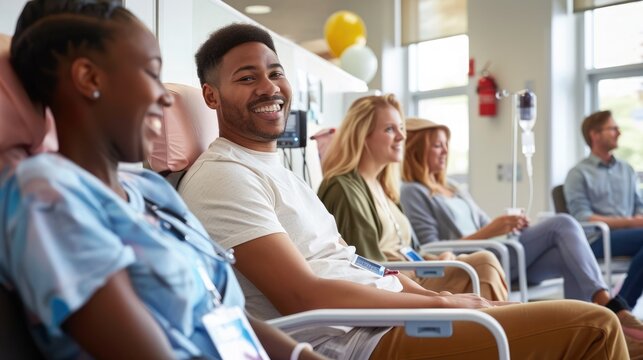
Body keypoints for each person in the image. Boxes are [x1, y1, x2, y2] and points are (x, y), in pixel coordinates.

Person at [178, 22, 628, 359]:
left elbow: (348, 257)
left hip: (389, 313)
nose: (270, 87)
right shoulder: (224, 177)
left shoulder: (279, 168)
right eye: (246, 78)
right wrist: (437, 301)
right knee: (595, 325)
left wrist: (409, 285)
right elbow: (304, 295)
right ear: (211, 97)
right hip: (361, 338)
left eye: (275, 72)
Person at [0, 1, 323, 359]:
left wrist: (302, 356)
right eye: (151, 74)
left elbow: (225, 315)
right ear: (89, 78)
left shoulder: (151, 190)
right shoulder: (48, 196)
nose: (164, 98)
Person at [399, 117, 643, 354]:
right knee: (563, 223)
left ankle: (596, 336)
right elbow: (431, 246)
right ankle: (610, 307)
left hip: (503, 251)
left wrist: (510, 226)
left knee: (564, 255)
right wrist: (494, 229)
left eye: (446, 145)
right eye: (437, 145)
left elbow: (487, 225)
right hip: (479, 261)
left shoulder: (453, 188)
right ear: (417, 150)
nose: (444, 152)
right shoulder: (413, 191)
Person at [317, 94, 508, 301]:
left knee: (481, 264)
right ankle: (499, 327)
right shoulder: (343, 188)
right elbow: (364, 266)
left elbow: (409, 250)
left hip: (413, 275)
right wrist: (427, 295)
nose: (401, 136)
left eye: (401, 128)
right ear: (363, 136)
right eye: (390, 129)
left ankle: (498, 325)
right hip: (395, 286)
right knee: (484, 263)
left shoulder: (384, 187)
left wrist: (435, 259)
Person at [565, 110, 643, 311]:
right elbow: (583, 218)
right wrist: (631, 222)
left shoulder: (626, 169)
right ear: (595, 134)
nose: (619, 132)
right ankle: (620, 310)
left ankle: (619, 309)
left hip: (631, 237)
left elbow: (639, 207)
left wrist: (637, 219)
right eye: (613, 128)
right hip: (597, 240)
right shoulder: (578, 173)